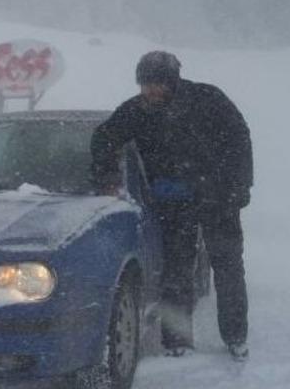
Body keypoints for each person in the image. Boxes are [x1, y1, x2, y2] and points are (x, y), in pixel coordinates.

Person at [90, 51, 252, 361]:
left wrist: (239, 186)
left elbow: (239, 139)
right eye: (146, 84)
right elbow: (104, 139)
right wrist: (107, 175)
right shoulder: (136, 111)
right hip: (173, 205)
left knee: (228, 269)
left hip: (219, 201)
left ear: (173, 81)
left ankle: (235, 336)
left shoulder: (208, 99)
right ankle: (176, 341)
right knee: (176, 273)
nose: (151, 91)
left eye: (158, 84)